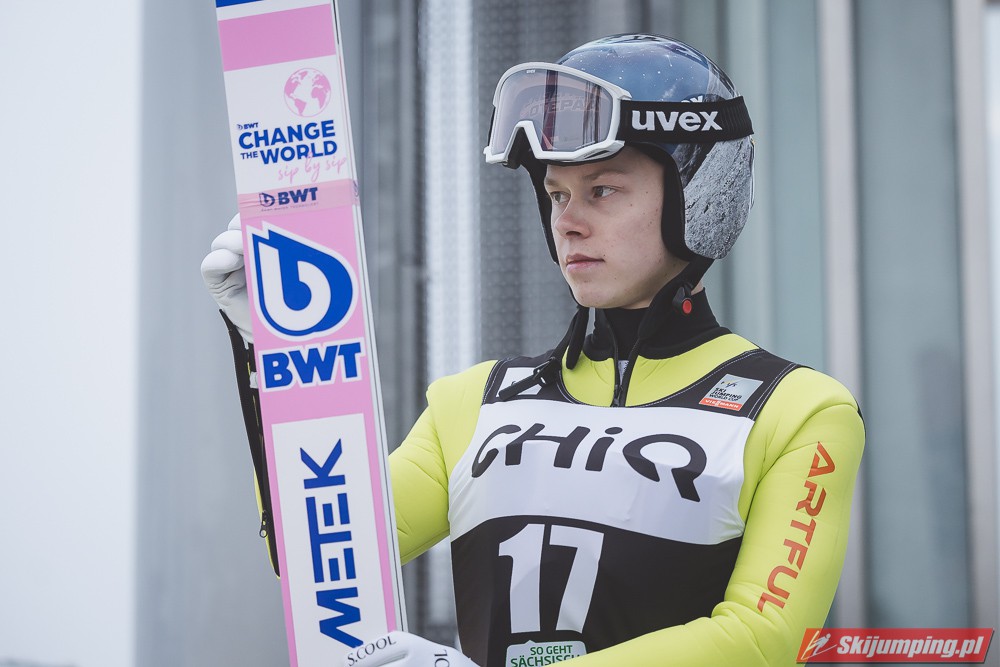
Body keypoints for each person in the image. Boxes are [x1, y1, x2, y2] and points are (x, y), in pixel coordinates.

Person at [202, 33, 864, 667]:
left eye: (602, 190)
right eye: (556, 194)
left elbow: (763, 641)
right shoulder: (472, 401)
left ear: (697, 194)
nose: (568, 221)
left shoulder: (797, 411)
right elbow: (314, 554)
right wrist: (279, 354)